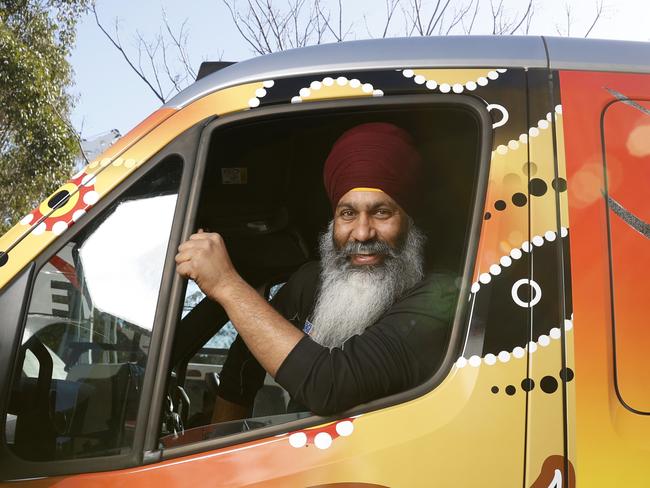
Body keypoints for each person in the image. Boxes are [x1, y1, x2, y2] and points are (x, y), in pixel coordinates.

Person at [175, 122, 458, 419]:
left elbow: (332, 385)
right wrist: (224, 449)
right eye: (347, 213)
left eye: (381, 212)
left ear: (408, 222)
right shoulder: (310, 282)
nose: (362, 233)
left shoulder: (441, 297)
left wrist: (227, 285)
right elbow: (242, 365)